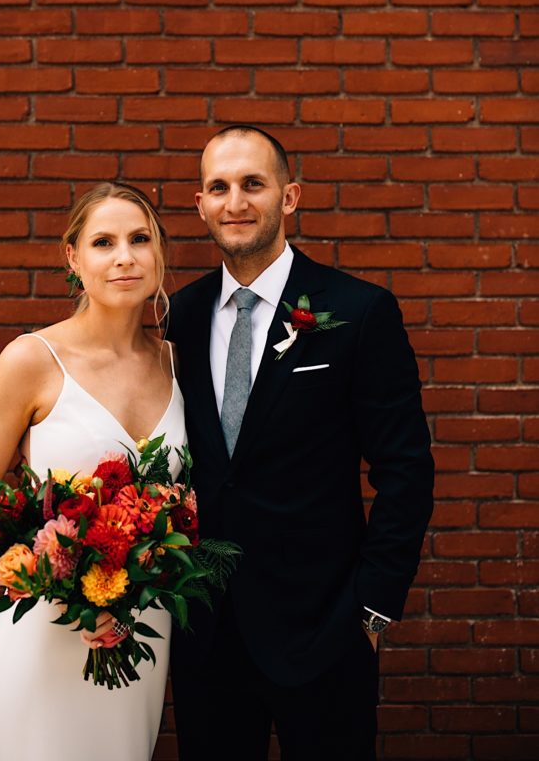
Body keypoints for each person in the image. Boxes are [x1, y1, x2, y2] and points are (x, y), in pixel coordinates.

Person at [167, 126, 434, 761]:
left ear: (289, 197)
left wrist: (370, 611)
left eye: (253, 185)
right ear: (199, 204)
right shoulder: (175, 317)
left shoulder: (360, 310)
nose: (235, 202)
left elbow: (406, 470)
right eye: (219, 187)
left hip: (326, 631)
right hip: (205, 636)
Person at [0, 182, 185, 761]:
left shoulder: (179, 362)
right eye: (103, 242)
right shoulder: (31, 360)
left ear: (159, 253)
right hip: (51, 626)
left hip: (141, 626)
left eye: (140, 240)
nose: (125, 257)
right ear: (72, 258)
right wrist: (62, 577)